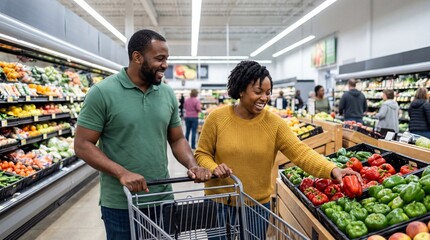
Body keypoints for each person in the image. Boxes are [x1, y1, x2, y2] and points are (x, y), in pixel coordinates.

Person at [195, 60, 360, 240]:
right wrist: (213, 168)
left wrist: (332, 169)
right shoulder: (217, 118)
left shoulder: (274, 123)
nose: (264, 98)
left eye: (267, 93)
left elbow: (300, 152)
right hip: (218, 200)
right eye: (258, 92)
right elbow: (202, 153)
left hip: (256, 205)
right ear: (241, 90)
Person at [74, 29, 211, 240]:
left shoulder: (166, 93)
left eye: (167, 59)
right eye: (159, 58)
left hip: (162, 198)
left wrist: (192, 165)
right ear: (137, 57)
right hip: (121, 203)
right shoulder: (102, 93)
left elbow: (176, 139)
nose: (165, 65)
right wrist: (122, 173)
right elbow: (83, 144)